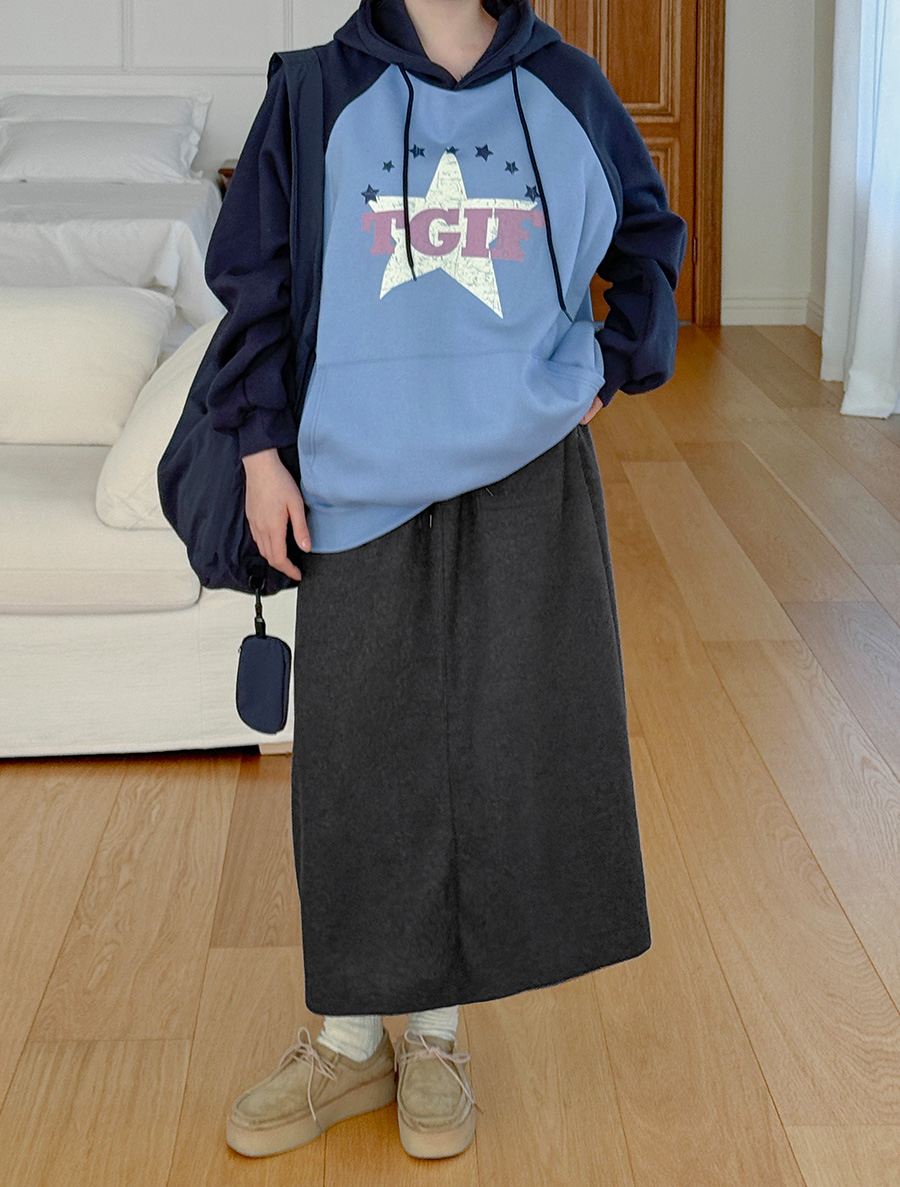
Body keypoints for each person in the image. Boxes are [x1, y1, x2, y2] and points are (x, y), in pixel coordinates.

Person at [204, 0, 687, 1162]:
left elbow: (649, 239)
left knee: (499, 739)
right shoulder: (314, 92)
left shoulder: (567, 87)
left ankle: (434, 1036)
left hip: (524, 471)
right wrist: (261, 451)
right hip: (358, 477)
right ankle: (349, 1040)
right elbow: (257, 278)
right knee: (357, 755)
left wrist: (607, 369)